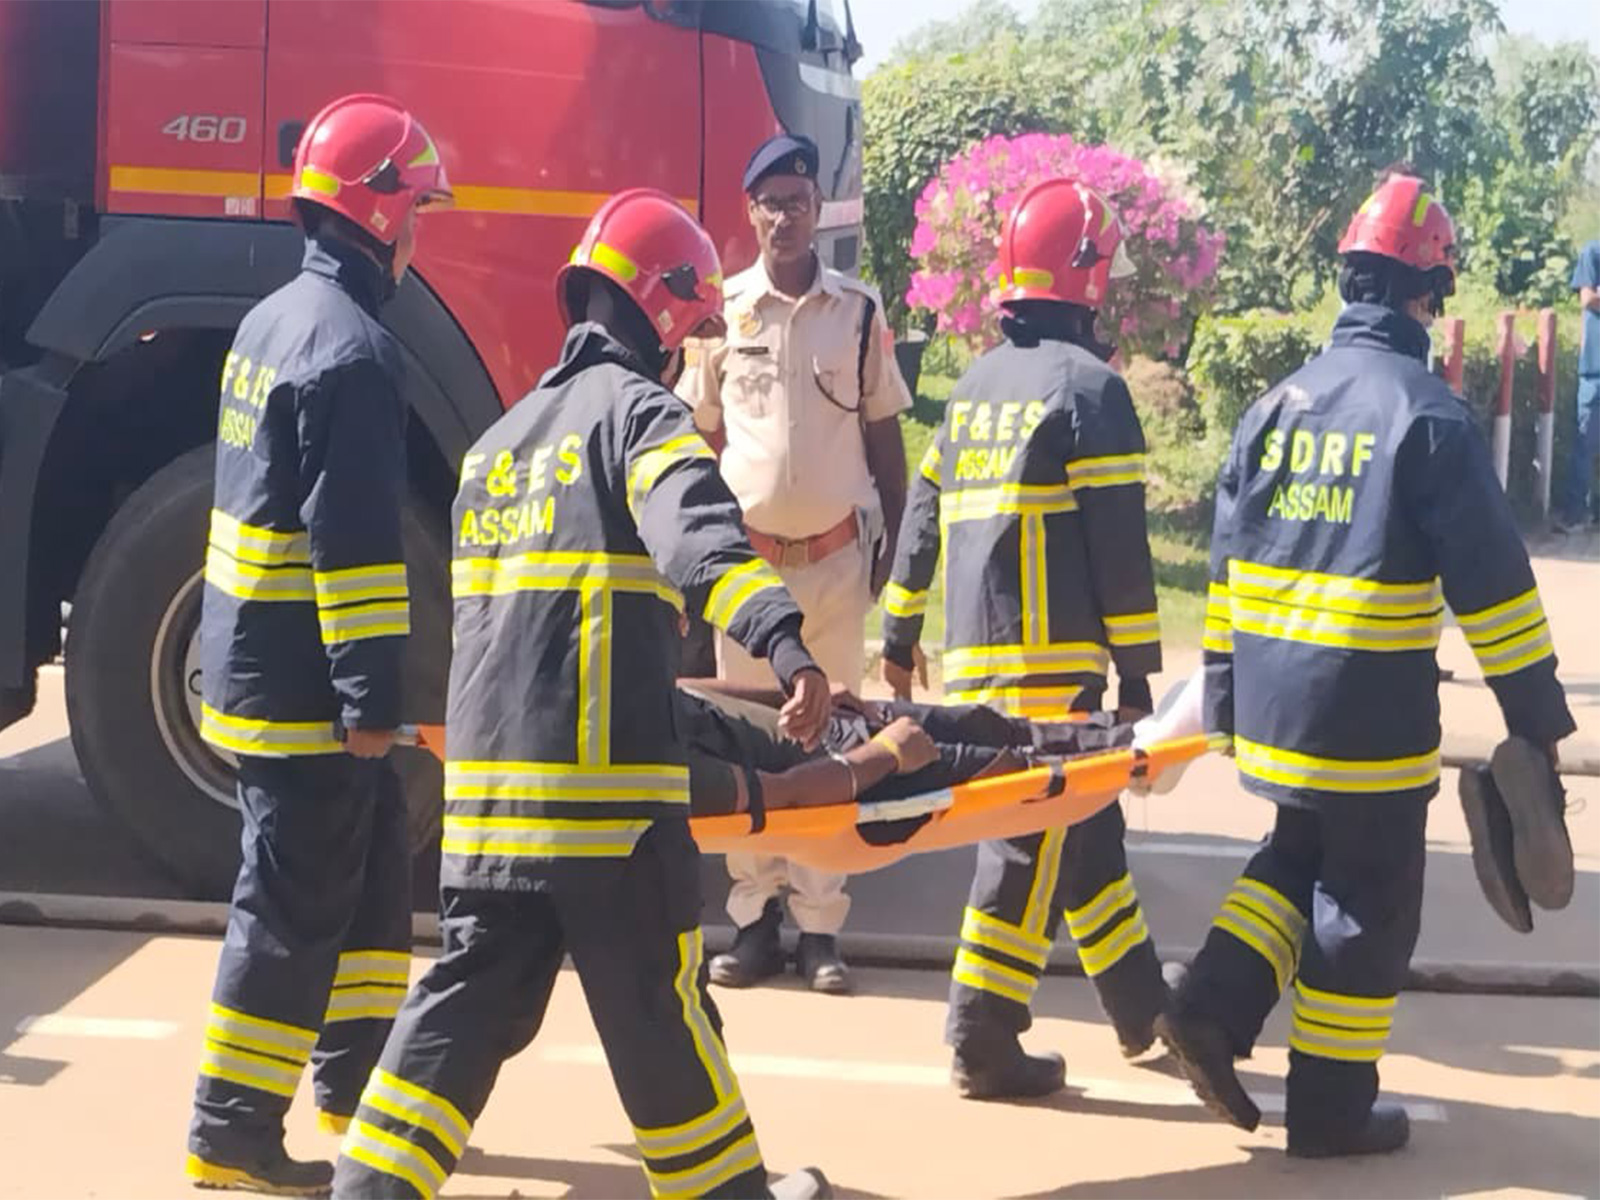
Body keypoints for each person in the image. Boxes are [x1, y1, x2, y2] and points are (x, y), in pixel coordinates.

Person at [331, 189, 832, 1200]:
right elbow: (701, 541)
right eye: (692, 334)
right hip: (608, 818)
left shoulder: (495, 449)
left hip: (489, 817)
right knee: (660, 1018)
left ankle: (366, 1191)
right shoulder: (640, 418)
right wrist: (787, 646)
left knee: (463, 1013)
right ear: (669, 315)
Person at [1159, 174, 1577, 1158]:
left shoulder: (1270, 408)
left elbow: (1223, 569)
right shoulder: (1427, 417)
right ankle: (1330, 1111)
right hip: (1370, 714)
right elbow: (1495, 592)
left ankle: (1209, 1012)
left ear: (1350, 284)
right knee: (1371, 902)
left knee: (1296, 857)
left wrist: (1221, 695)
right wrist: (1535, 723)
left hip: (1273, 708)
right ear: (1426, 296)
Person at [185, 94, 453, 1195]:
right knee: (289, 906)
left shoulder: (272, 322)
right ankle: (231, 1131)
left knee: (375, 869)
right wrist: (370, 702)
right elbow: (351, 555)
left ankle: (354, 1083)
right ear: (380, 212)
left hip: (251, 660)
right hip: (304, 688)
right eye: (418, 206)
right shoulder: (355, 354)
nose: (423, 226)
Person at [881, 178, 1169, 1100]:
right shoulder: (1092, 391)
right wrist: (1138, 677)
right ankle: (981, 1036)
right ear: (1085, 280)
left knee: (1087, 831)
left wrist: (897, 630)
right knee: (1027, 844)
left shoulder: (970, 391)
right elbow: (1121, 554)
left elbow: (920, 516)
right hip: (1058, 670)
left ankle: (1142, 1009)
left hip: (976, 660)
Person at [677, 133, 912, 995]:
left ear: (818, 214)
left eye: (799, 203)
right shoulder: (722, 314)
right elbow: (695, 444)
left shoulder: (858, 313)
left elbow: (884, 435)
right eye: (770, 202)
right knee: (750, 741)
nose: (784, 217)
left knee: (831, 737)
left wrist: (892, 543)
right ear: (751, 211)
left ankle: (820, 931)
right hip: (747, 575)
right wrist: (690, 565)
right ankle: (752, 922)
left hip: (835, 566)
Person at [1554, 237, 1600, 533]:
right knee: (1585, 443)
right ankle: (1575, 514)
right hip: (1595, 370)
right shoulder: (1593, 252)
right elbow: (1587, 298)